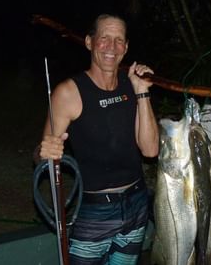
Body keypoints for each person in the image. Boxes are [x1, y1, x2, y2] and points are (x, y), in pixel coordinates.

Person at [36, 14, 159, 264]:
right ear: (90, 42)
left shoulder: (131, 85)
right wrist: (43, 150)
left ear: (126, 47)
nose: (111, 47)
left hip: (137, 203)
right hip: (95, 212)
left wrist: (142, 92)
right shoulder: (69, 92)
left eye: (118, 40)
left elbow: (150, 150)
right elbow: (41, 155)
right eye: (104, 39)